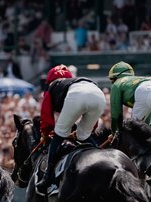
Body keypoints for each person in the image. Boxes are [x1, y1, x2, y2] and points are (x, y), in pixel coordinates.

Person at [34, 64, 106, 194]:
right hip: (99, 94)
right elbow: (91, 126)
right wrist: (86, 129)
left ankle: (47, 177)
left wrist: (45, 134)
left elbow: (46, 117)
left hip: (77, 95)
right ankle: (103, 160)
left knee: (59, 134)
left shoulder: (51, 87)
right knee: (84, 136)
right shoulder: (72, 82)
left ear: (49, 80)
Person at [107, 61, 151, 133]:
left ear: (116, 77)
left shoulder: (117, 84)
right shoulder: (133, 81)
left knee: (134, 131)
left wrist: (115, 132)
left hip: (145, 90)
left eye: (112, 80)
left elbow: (116, 115)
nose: (112, 83)